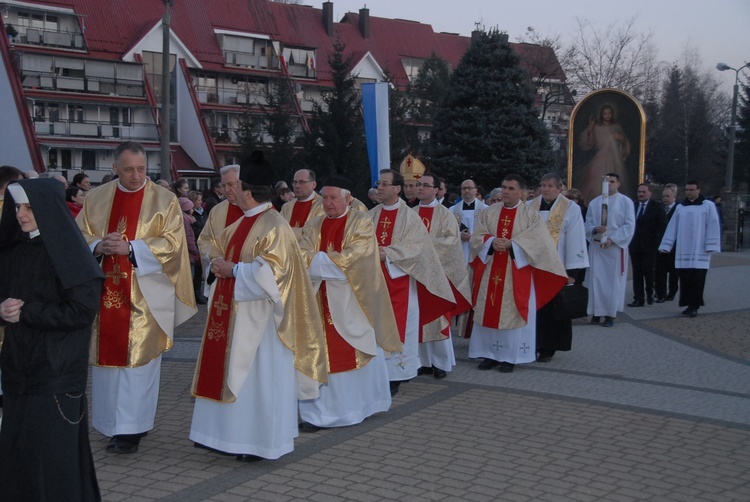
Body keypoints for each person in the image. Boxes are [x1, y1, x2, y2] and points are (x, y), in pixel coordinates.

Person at [190, 161, 327, 461]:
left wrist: (234, 269)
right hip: (235, 314)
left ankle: (262, 443)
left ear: (247, 191)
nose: (231, 191)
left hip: (263, 323)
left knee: (259, 380)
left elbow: (277, 275)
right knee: (239, 377)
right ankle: (233, 438)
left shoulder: (274, 225)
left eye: (235, 186)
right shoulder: (244, 222)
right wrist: (218, 266)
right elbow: (220, 256)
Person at [77, 141, 197, 454]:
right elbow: (79, 236)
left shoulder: (164, 199)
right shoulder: (97, 198)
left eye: (141, 169)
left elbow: (173, 244)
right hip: (106, 297)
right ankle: (109, 424)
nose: (135, 175)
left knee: (138, 364)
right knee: (108, 367)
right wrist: (98, 246)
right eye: (128, 169)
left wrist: (132, 248)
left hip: (144, 297)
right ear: (114, 168)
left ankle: (132, 429)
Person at [0, 178, 103, 500]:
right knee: (18, 453)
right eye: (17, 207)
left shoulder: (71, 254)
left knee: (51, 459)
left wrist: (28, 312)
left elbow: (82, 311)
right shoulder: (13, 251)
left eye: (29, 207)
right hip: (18, 370)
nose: (21, 214)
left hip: (56, 373)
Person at [297, 178, 401, 431]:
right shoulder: (314, 224)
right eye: (325, 198)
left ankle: (357, 406)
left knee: (353, 350)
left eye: (334, 198)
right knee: (318, 353)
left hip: (352, 300)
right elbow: (300, 254)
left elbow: (357, 258)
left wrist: (320, 262)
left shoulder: (361, 221)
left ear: (348, 198)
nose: (328, 203)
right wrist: (327, 262)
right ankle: (319, 413)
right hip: (318, 298)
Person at [369, 169, 456, 395]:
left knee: (401, 326)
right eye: (379, 183)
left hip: (400, 281)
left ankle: (397, 374)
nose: (380, 187)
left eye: (385, 184)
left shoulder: (409, 216)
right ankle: (377, 372)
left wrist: (387, 253)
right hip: (373, 281)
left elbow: (417, 246)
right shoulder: (372, 214)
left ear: (397, 189)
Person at [469, 174, 567, 373]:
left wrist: (512, 244)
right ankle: (489, 354)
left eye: (512, 189)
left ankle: (509, 357)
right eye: (504, 187)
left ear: (522, 192)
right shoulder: (490, 212)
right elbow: (477, 236)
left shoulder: (530, 215)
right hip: (491, 271)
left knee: (513, 312)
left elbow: (540, 243)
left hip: (517, 273)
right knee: (489, 309)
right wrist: (490, 241)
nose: (506, 192)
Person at [414, 174, 472, 379]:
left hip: (438, 274)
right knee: (418, 317)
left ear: (436, 190)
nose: (420, 188)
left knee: (437, 319)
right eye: (418, 185)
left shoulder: (445, 214)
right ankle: (422, 362)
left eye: (425, 185)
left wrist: (425, 246)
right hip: (416, 275)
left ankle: (440, 363)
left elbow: (451, 241)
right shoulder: (411, 213)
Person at [529, 173, 589, 362]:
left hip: (558, 267)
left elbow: (576, 239)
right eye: (543, 185)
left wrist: (572, 272)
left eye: (549, 186)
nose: (545, 189)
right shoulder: (530, 207)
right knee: (535, 307)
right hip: (534, 267)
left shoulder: (570, 208)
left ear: (559, 189)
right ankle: (532, 343)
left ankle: (549, 347)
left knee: (553, 309)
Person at [658, 181, 721, 317]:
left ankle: (695, 305)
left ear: (698, 190)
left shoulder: (708, 206)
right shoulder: (681, 207)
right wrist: (666, 245)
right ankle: (687, 304)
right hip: (683, 249)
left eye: (692, 189)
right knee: (685, 279)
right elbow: (672, 226)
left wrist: (711, 245)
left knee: (697, 280)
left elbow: (713, 225)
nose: (689, 192)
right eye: (686, 189)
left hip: (700, 249)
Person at [584, 173, 635, 327]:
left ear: (618, 184)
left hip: (614, 248)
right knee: (595, 281)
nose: (609, 184)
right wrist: (595, 229)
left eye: (612, 181)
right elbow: (587, 224)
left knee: (612, 283)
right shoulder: (594, 202)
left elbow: (629, 225)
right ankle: (596, 312)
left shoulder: (626, 202)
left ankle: (610, 314)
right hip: (598, 248)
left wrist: (612, 239)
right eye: (606, 182)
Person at [196, 165, 246, 298]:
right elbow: (204, 240)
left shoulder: (256, 209)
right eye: (224, 186)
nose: (226, 190)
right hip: (219, 276)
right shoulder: (217, 211)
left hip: (245, 281)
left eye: (231, 184)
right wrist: (215, 259)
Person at [450, 178, 488, 337]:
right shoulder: (452, 210)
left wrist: (473, 238)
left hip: (478, 256)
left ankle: (474, 328)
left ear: (475, 190)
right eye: (463, 188)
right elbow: (446, 233)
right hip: (459, 256)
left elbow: (489, 232)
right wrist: (459, 235)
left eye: (469, 188)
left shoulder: (486, 210)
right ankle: (460, 327)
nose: (466, 191)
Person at [578, 104, 631, 204]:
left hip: (614, 159)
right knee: (596, 184)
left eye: (609, 113)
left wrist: (621, 139)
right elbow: (588, 142)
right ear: (601, 115)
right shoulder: (597, 127)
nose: (607, 116)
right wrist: (591, 126)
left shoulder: (617, 127)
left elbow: (625, 143)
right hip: (599, 160)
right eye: (605, 113)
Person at [628, 183, 667, 307]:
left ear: (649, 193)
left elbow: (662, 225)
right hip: (635, 246)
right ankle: (638, 298)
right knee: (637, 272)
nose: (641, 194)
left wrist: (659, 242)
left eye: (643, 192)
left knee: (648, 270)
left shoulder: (656, 207)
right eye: (639, 192)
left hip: (650, 246)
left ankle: (650, 293)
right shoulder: (632, 207)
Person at [281, 169, 323, 239]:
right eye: (295, 182)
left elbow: (314, 232)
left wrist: (286, 232)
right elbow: (278, 229)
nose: (297, 186)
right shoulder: (287, 207)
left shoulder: (322, 205)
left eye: (302, 182)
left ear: (314, 184)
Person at [655, 184, 679, 302]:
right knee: (660, 272)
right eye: (663, 196)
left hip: (674, 247)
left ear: (674, 196)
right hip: (660, 245)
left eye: (668, 196)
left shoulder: (679, 209)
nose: (665, 198)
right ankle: (661, 294)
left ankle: (672, 292)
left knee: (673, 272)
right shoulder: (659, 208)